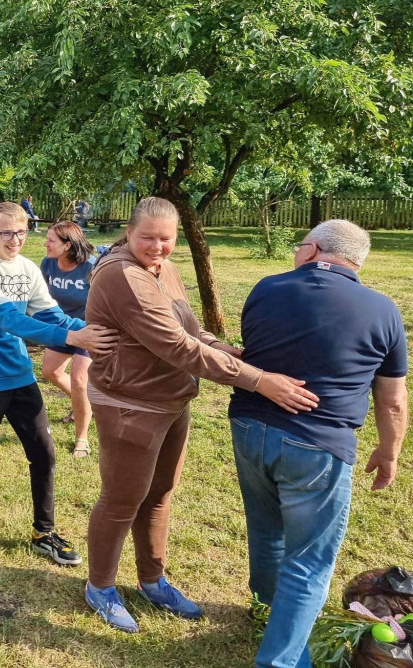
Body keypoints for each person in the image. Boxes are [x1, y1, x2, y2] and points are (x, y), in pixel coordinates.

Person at [83, 197, 319, 634]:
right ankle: (100, 587)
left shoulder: (160, 267)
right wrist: (256, 379)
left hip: (171, 397)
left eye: (166, 239)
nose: (157, 246)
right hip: (131, 404)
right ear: (129, 233)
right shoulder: (124, 275)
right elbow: (175, 346)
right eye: (147, 237)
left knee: (160, 492)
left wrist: (218, 345)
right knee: (122, 498)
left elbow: (186, 327)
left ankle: (153, 580)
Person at [229, 220, 408, 668]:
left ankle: (268, 609)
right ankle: (280, 660)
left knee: (268, 530)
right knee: (308, 563)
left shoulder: (266, 288)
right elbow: (392, 401)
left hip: (250, 429)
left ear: (311, 250)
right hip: (319, 445)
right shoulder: (383, 310)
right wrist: (389, 452)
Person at [0, 201, 117, 568]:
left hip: (20, 371)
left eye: (21, 232)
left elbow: (49, 312)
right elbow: (10, 319)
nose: (14, 240)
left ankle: (44, 531)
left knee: (43, 452)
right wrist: (73, 339)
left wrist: (85, 331)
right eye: (6, 232)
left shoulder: (27, 268)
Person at [40, 221, 107, 456]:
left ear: (67, 245)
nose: (45, 243)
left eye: (51, 240)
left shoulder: (91, 267)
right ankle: (87, 405)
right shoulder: (48, 263)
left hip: (89, 329)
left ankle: (82, 438)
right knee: (50, 371)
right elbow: (42, 296)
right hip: (62, 327)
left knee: (79, 381)